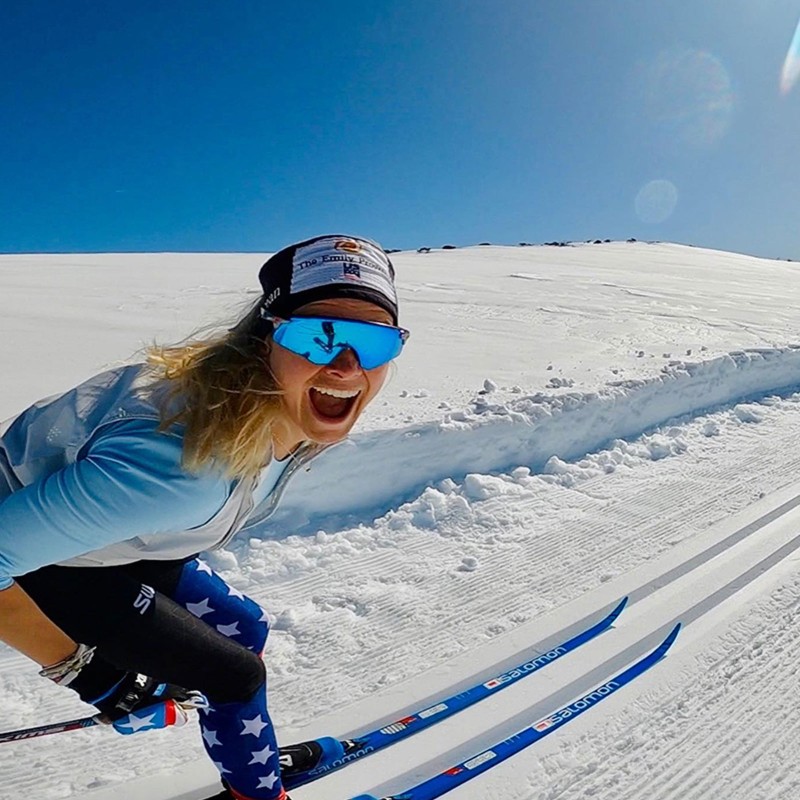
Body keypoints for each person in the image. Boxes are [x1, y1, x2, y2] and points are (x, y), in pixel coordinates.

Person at [0, 234, 409, 800]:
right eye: (319, 336)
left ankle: (245, 758)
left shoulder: (273, 403)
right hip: (43, 557)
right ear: (266, 338)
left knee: (246, 629)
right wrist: (87, 675)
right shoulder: (186, 469)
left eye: (374, 343)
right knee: (237, 676)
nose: (345, 365)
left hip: (105, 539)